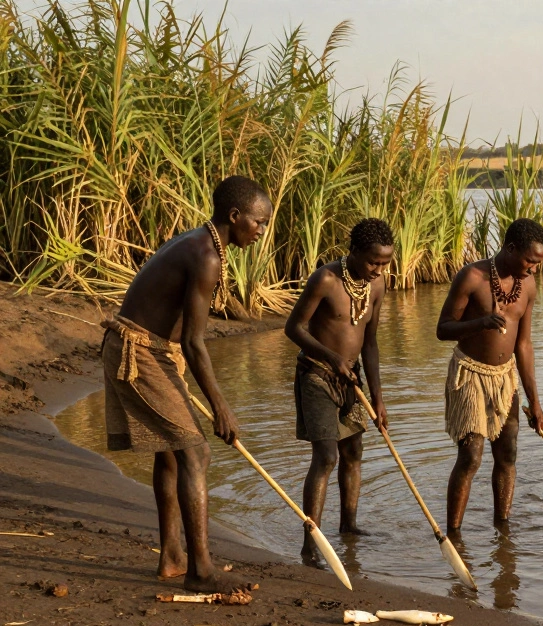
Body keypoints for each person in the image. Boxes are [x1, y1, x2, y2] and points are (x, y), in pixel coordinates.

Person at [101, 175, 270, 592]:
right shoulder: (206, 255)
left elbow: (185, 340)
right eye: (258, 222)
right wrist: (221, 407)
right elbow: (195, 343)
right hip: (140, 351)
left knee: (172, 453)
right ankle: (200, 571)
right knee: (196, 453)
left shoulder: (202, 242)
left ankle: (173, 558)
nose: (261, 232)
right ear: (235, 215)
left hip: (156, 349)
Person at [284, 218, 393, 566]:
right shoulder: (326, 279)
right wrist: (332, 358)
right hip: (316, 375)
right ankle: (311, 543)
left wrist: (378, 398)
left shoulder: (377, 285)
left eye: (385, 263)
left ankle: (349, 526)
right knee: (327, 457)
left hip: (351, 380)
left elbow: (370, 343)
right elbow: (293, 328)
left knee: (354, 452)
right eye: (373, 262)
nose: (379, 270)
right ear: (354, 251)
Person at [436, 218, 543, 531]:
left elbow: (524, 345)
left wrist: (535, 402)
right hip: (470, 374)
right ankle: (454, 534)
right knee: (471, 456)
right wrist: (480, 323)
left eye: (538, 263)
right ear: (511, 248)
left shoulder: (528, 285)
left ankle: (503, 527)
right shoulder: (472, 277)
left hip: (505, 378)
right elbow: (443, 329)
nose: (533, 269)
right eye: (530, 261)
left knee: (508, 453)